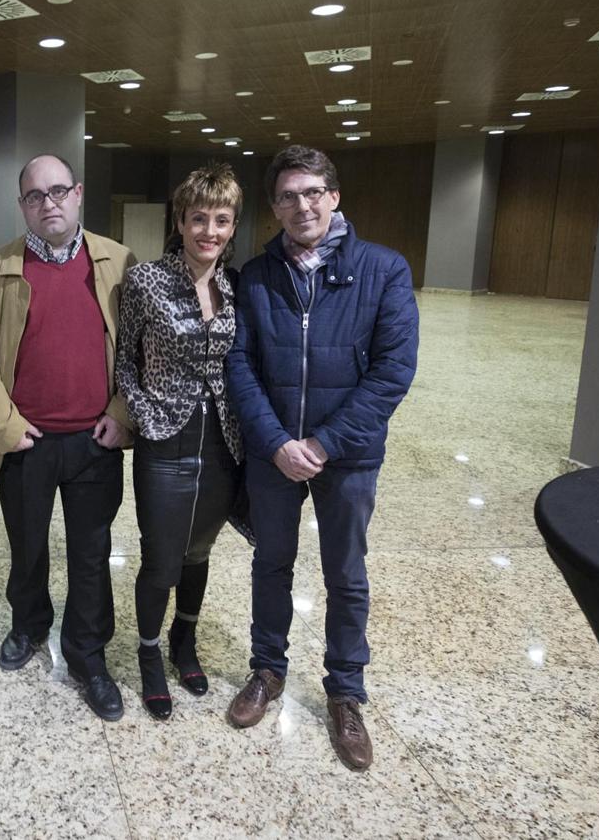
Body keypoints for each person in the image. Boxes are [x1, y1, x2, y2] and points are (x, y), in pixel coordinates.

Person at [225, 145, 419, 769]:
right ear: (275, 206)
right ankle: (267, 669)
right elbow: (238, 365)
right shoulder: (254, 276)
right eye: (287, 196)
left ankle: (345, 692)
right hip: (273, 450)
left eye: (312, 192)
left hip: (349, 455)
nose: (301, 205)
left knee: (346, 573)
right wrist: (278, 442)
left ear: (334, 196)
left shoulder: (384, 270)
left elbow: (393, 372)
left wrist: (324, 443)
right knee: (271, 563)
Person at [0, 154, 136, 721]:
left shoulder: (118, 262)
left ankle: (89, 655)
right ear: (22, 206)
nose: (49, 203)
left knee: (90, 555)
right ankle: (28, 625)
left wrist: (122, 412)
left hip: (94, 442)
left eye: (58, 191)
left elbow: (138, 350)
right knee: (27, 548)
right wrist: (6, 429)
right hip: (25, 443)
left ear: (78, 194)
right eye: (35, 196)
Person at [115, 163, 246, 720]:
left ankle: (183, 642)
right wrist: (143, 413)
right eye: (199, 219)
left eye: (221, 220)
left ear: (233, 225)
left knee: (198, 554)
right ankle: (148, 654)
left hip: (222, 442)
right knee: (162, 559)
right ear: (180, 220)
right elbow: (123, 359)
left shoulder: (231, 284)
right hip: (164, 442)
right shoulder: (147, 281)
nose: (209, 232)